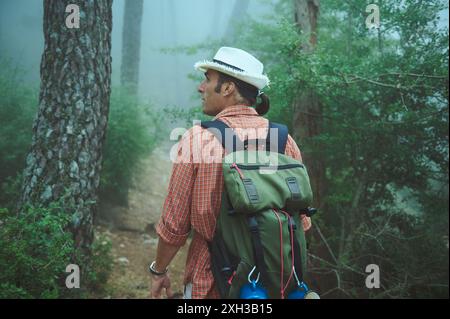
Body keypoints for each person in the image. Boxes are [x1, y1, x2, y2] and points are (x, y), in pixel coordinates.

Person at [150, 47, 312, 299]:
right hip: (276, 285)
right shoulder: (284, 141)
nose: (200, 88)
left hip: (212, 279)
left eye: (208, 79)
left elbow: (175, 225)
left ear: (228, 88)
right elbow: (300, 225)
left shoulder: (198, 139)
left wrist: (158, 271)